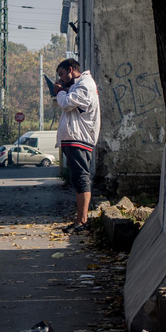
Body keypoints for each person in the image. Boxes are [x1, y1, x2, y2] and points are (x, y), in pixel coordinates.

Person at [53, 58, 101, 234]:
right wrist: (64, 91)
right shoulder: (77, 85)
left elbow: (66, 104)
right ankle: (80, 219)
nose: (61, 79)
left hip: (79, 139)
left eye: (62, 74)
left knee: (81, 177)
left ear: (71, 69)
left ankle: (82, 221)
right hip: (74, 138)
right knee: (78, 178)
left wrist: (59, 92)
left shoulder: (85, 84)